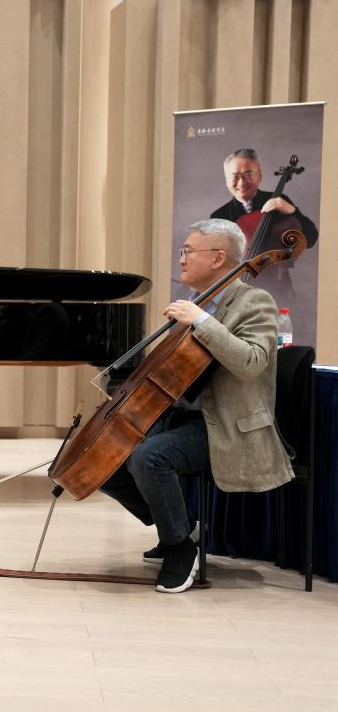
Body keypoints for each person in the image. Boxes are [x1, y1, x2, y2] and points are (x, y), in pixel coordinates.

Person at [99, 218, 294, 593]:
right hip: (183, 417)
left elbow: (251, 362)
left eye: (188, 251)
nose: (182, 259)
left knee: (149, 457)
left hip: (227, 424)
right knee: (104, 458)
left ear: (219, 258)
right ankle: (181, 527)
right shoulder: (196, 303)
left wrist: (202, 321)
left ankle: (180, 549)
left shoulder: (255, 302)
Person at [212, 148, 319, 248]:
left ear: (260, 176)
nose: (241, 183)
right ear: (226, 180)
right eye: (234, 177)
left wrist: (292, 211)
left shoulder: (279, 202)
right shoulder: (219, 217)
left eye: (248, 175)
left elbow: (310, 240)